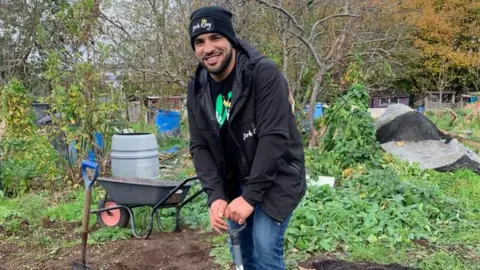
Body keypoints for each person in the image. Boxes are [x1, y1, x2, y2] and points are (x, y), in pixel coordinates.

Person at [186, 5, 306, 270]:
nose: (208, 48)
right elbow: (200, 145)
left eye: (215, 38)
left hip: (276, 177)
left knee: (264, 249)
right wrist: (216, 195)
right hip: (233, 182)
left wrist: (250, 197)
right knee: (241, 252)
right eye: (199, 42)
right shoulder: (197, 88)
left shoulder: (262, 74)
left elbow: (274, 139)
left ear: (231, 39)